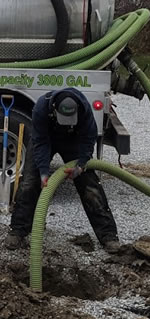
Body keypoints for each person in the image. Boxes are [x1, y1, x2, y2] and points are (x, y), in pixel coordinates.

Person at [5, 87, 121, 254]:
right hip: (46, 138)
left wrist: (80, 165)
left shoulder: (84, 109)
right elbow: (40, 142)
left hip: (72, 140)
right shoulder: (41, 108)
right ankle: (18, 230)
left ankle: (108, 235)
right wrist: (44, 172)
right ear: (54, 109)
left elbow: (88, 139)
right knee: (30, 182)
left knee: (90, 185)